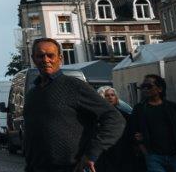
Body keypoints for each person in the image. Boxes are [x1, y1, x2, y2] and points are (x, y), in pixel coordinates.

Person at [23, 37, 124, 172]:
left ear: (60, 58)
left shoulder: (74, 86)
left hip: (71, 167)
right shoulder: (32, 94)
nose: (46, 60)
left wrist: (92, 154)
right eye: (40, 56)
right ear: (33, 59)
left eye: (50, 55)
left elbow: (114, 118)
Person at [130, 74, 176, 172]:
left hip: (175, 155)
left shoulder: (173, 108)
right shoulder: (139, 109)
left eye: (149, 86)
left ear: (159, 89)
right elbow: (134, 131)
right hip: (154, 156)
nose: (145, 89)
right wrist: (145, 152)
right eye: (143, 87)